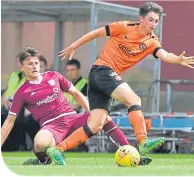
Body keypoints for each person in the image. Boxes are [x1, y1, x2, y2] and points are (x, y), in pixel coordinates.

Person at [48, 1, 194, 163]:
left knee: (95, 125)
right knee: (134, 100)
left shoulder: (152, 41)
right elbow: (96, 33)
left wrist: (178, 60)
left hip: (103, 78)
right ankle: (143, 141)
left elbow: (165, 55)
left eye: (156, 21)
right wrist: (74, 45)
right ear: (141, 18)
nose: (154, 24)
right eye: (151, 19)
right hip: (102, 71)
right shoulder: (124, 26)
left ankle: (58, 149)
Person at [1, 47, 151, 166]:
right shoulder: (22, 92)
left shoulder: (54, 76)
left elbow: (76, 93)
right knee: (40, 143)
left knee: (103, 117)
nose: (35, 66)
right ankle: (43, 160)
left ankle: (131, 153)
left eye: (36, 63)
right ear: (22, 67)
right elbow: (9, 122)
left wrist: (92, 117)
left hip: (73, 119)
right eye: (30, 64)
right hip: (52, 127)